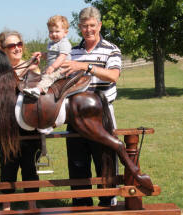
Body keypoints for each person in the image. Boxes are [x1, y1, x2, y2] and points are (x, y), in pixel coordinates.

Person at [61, 6, 121, 207]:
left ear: (99, 25)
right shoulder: (71, 52)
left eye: (92, 26)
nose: (88, 30)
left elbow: (113, 75)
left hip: (102, 114)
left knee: (104, 159)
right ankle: (81, 204)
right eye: (84, 26)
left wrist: (86, 66)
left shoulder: (111, 49)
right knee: (78, 162)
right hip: (75, 115)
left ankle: (107, 202)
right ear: (79, 27)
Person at [0, 30, 41, 210]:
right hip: (7, 127)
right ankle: (6, 207)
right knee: (8, 166)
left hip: (30, 126)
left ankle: (32, 206)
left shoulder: (33, 66)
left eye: (19, 44)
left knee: (30, 167)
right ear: (3, 49)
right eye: (12, 45)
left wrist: (32, 69)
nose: (17, 48)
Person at [23, 15, 72, 98]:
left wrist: (52, 67)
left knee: (49, 77)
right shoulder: (52, 43)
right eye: (51, 32)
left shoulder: (64, 43)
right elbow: (50, 56)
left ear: (65, 33)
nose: (53, 34)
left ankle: (38, 90)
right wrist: (42, 54)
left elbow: (61, 57)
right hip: (53, 67)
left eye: (57, 31)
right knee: (40, 75)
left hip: (63, 69)